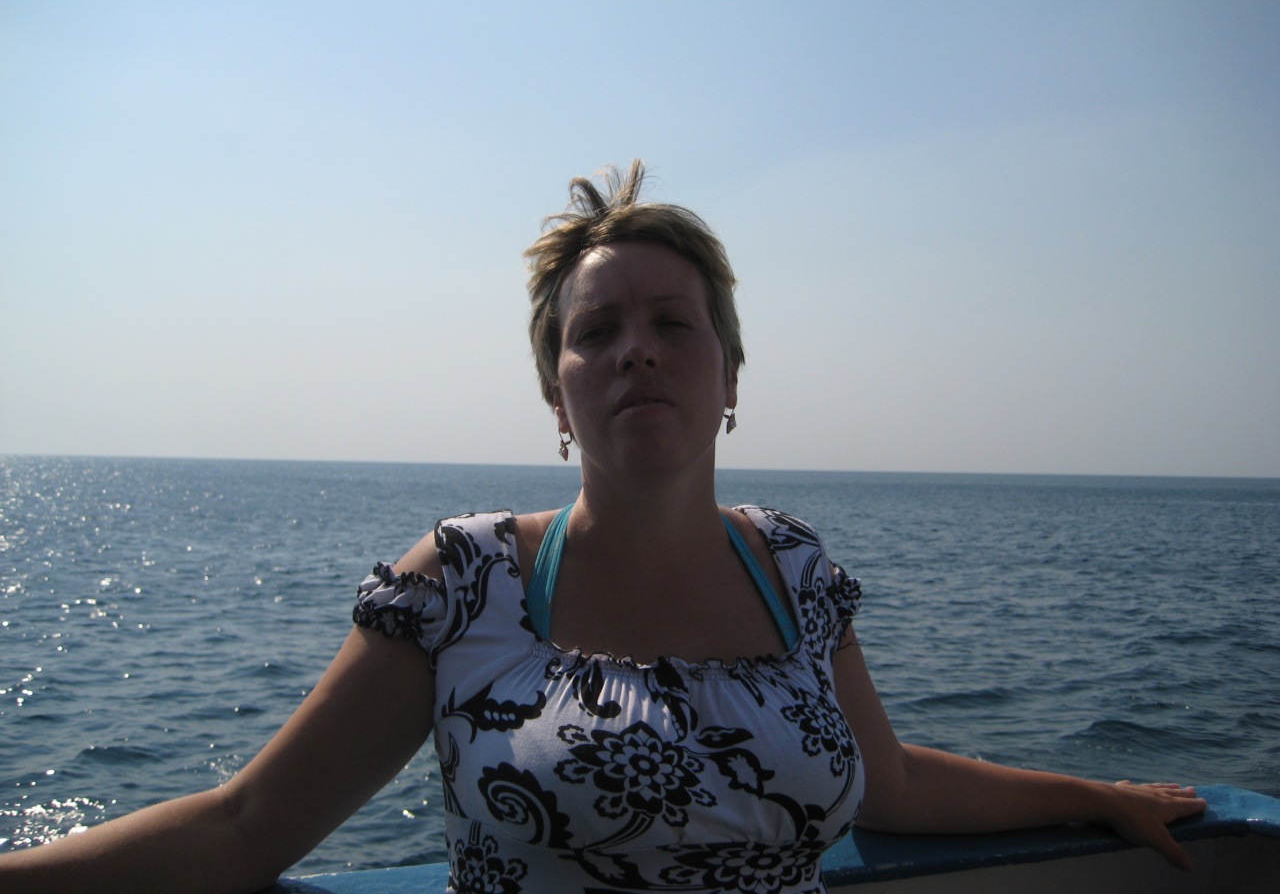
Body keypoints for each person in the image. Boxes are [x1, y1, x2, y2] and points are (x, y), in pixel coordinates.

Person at [0, 161, 1206, 893]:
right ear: (554, 392)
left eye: (673, 323)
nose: (636, 349)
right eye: (595, 332)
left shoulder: (793, 568)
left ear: (729, 373)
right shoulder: (464, 580)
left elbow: (883, 781)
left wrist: (1092, 795)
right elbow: (247, 826)